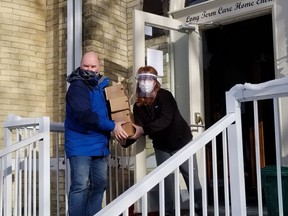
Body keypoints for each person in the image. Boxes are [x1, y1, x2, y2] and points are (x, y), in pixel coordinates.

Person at [125, 66, 202, 216]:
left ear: (155, 81)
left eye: (148, 78)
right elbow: (139, 129)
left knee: (191, 177)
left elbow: (165, 120)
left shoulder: (165, 96)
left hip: (182, 142)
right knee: (166, 180)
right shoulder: (138, 106)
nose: (144, 81)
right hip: (161, 147)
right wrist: (125, 139)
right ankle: (169, 212)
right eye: (141, 78)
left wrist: (143, 130)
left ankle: (200, 209)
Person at [64, 51, 128, 216]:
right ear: (80, 65)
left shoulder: (102, 87)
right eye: (86, 66)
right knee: (80, 186)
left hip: (100, 146)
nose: (89, 70)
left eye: (93, 66)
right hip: (81, 145)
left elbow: (110, 112)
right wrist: (112, 126)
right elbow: (84, 115)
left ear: (99, 67)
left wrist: (123, 125)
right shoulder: (77, 86)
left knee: (99, 185)